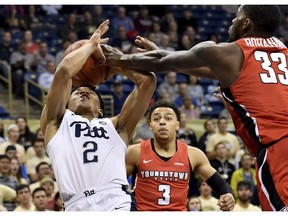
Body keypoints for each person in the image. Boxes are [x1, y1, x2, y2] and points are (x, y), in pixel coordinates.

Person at [103, 5, 288, 211]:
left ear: (246, 24)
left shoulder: (230, 52)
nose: (231, 22)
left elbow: (164, 62)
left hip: (278, 149)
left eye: (236, 18)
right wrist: (163, 54)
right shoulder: (283, 53)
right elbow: (191, 66)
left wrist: (120, 59)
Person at [39, 19, 156, 211]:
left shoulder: (117, 126)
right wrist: (92, 45)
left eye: (90, 93)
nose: (83, 92)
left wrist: (116, 65)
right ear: (67, 104)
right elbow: (64, 71)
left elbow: (148, 82)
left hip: (116, 200)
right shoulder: (57, 122)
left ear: (101, 110)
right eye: (77, 93)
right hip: (76, 204)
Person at [126, 101, 234, 211]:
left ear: (177, 125)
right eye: (156, 119)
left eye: (168, 118)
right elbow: (113, 184)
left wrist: (228, 195)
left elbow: (221, 185)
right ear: (150, 126)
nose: (162, 122)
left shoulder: (193, 154)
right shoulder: (135, 151)